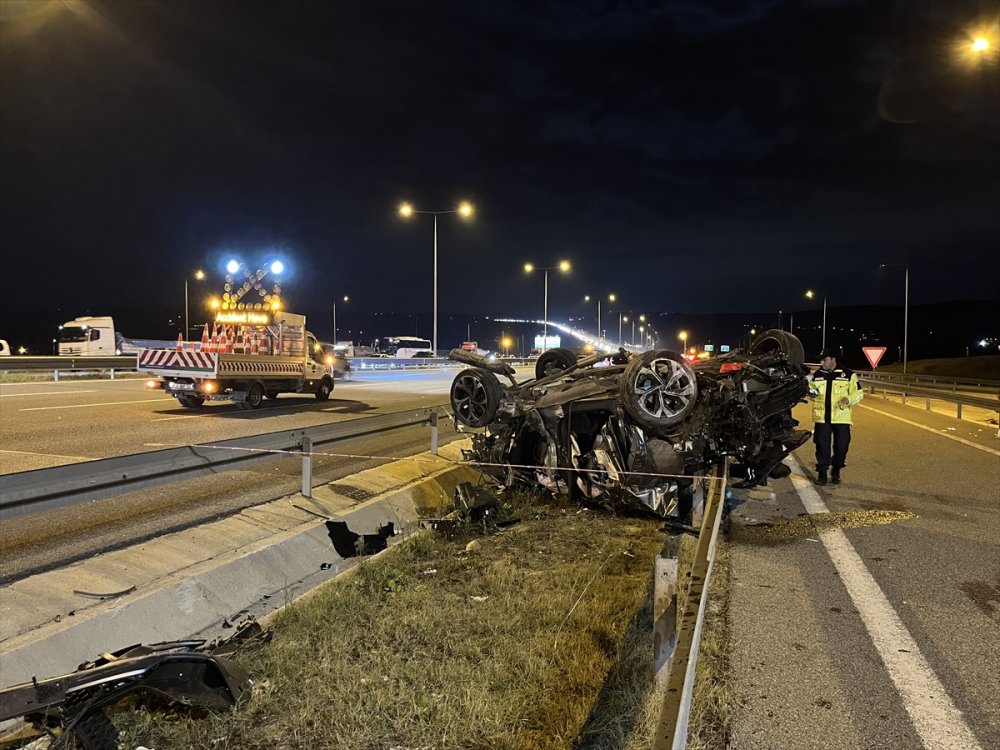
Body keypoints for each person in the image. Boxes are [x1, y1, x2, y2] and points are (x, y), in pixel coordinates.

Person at [807, 348, 863, 485]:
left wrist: (848, 400)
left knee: (842, 446)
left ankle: (836, 468)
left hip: (841, 418)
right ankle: (822, 473)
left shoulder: (848, 375)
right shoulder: (817, 375)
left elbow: (859, 394)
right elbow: (811, 390)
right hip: (822, 418)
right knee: (822, 446)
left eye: (824, 360)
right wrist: (811, 393)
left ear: (833, 359)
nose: (821, 363)